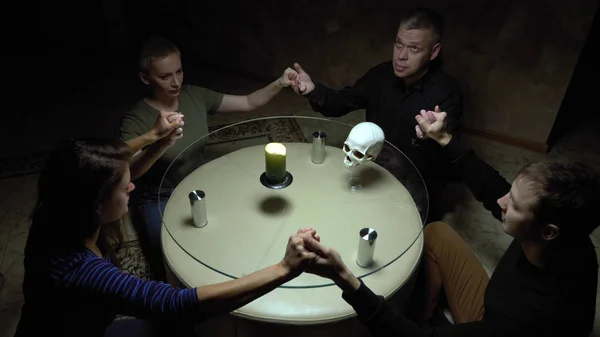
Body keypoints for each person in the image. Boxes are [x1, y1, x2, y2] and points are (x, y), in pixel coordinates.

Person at [301, 107, 599, 336]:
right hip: (494, 308)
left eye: (515, 204)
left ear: (548, 231)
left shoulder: (529, 319)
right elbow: (491, 187)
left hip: (497, 324)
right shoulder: (568, 236)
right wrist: (443, 138)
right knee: (438, 233)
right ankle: (425, 313)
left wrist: (345, 277)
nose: (501, 202)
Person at [14, 137, 320, 337]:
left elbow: (99, 167)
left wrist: (154, 138)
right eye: (124, 187)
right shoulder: (82, 272)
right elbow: (174, 302)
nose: (132, 187)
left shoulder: (56, 211)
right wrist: (283, 268)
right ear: (96, 204)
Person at [120, 36, 297, 280]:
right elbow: (129, 171)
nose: (175, 82)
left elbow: (247, 102)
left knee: (235, 227)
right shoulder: (136, 119)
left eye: (179, 72)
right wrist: (160, 142)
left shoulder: (195, 96)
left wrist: (280, 82)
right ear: (145, 78)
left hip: (197, 180)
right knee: (167, 257)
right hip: (158, 195)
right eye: (164, 77)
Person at [290, 7, 463, 220]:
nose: (401, 56)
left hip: (416, 184)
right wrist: (313, 89)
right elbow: (340, 103)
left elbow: (448, 159)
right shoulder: (380, 75)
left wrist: (433, 137)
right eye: (399, 44)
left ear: (433, 52)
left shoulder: (447, 94)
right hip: (372, 170)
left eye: (414, 49)